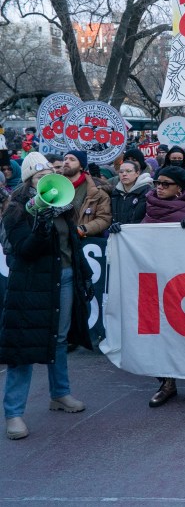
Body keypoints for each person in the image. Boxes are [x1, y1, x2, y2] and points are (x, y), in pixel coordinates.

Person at [2, 152, 93, 440]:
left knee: (60, 339)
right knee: (23, 346)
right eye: (41, 177)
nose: (49, 181)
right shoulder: (16, 209)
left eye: (53, 175)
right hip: (30, 284)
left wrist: (82, 274)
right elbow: (24, 250)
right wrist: (40, 222)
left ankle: (60, 394)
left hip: (63, 279)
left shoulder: (63, 206)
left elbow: (71, 246)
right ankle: (14, 413)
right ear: (29, 181)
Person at [127, 165, 185, 409]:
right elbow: (136, 234)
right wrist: (121, 234)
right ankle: (167, 383)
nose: (159, 187)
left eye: (166, 184)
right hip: (157, 282)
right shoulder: (148, 206)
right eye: (158, 182)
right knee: (162, 335)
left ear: (180, 188)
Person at [62, 150, 111, 239]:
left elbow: (104, 219)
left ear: (81, 167)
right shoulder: (55, 185)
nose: (66, 161)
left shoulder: (96, 189)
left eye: (72, 159)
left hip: (83, 241)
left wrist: (82, 229)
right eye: (65, 159)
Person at [110, 159, 152, 226]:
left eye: (128, 171)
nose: (124, 174)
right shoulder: (115, 193)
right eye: (121, 172)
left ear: (137, 173)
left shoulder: (147, 192)